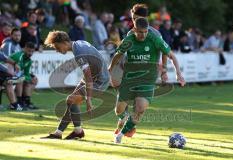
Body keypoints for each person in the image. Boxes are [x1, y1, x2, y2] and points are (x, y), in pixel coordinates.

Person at [111, 3, 185, 139]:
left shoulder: (155, 34)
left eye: (136, 18)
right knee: (120, 107)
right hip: (131, 73)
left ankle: (127, 128)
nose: (134, 21)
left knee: (139, 106)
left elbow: (164, 52)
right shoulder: (130, 33)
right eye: (133, 18)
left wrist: (164, 70)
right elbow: (124, 52)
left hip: (148, 74)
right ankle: (125, 121)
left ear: (145, 18)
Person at [42, 31, 109, 140]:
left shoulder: (79, 52)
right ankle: (58, 133)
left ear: (64, 42)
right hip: (96, 76)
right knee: (71, 102)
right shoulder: (79, 43)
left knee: (71, 100)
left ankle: (78, 131)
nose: (56, 50)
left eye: (57, 47)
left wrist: (88, 99)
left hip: (99, 81)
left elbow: (88, 76)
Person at [9, 42, 38, 110]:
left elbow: (26, 74)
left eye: (32, 51)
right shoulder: (19, 56)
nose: (30, 53)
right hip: (6, 75)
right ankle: (19, 102)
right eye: (29, 51)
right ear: (24, 49)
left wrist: (30, 79)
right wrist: (26, 78)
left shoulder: (29, 60)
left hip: (14, 77)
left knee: (33, 81)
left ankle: (26, 102)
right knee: (21, 80)